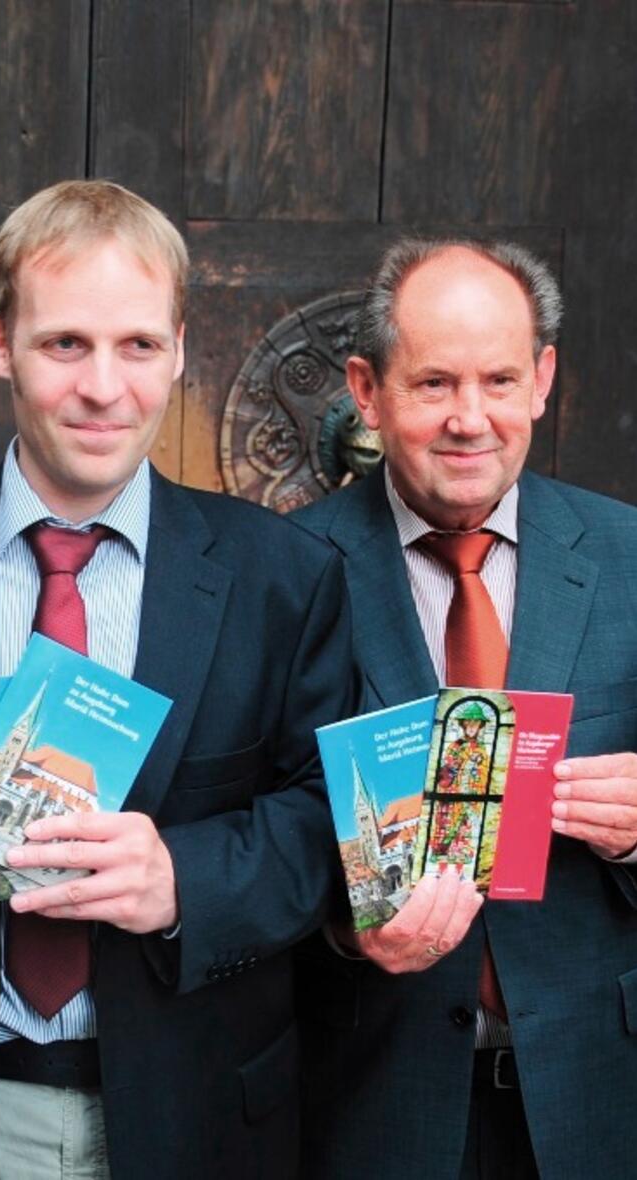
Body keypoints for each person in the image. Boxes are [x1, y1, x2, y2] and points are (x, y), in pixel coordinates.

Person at [0, 180, 358, 1180]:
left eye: (137, 345)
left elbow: (327, 824)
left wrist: (183, 876)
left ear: (178, 351)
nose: (104, 387)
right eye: (65, 343)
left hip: (196, 1121)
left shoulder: (284, 578)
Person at [295, 238, 637, 1179]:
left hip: (599, 1103)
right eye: (434, 383)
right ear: (367, 391)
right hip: (369, 1108)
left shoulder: (630, 558)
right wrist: (342, 925)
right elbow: (247, 829)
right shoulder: (284, 572)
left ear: (543, 380)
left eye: (499, 380)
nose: (469, 418)